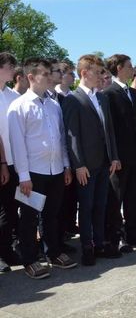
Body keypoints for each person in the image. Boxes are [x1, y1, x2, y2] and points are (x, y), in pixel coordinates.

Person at [8, 58, 77, 279]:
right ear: (30, 77)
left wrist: (66, 165)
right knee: (29, 218)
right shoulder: (18, 106)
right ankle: (29, 259)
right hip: (33, 172)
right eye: (45, 74)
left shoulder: (53, 104)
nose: (50, 77)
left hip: (55, 169)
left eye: (50, 73)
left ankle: (53, 252)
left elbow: (59, 138)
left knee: (52, 215)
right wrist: (24, 176)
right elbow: (18, 144)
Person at [62, 54, 121, 265]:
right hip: (86, 166)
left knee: (100, 205)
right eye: (97, 72)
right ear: (84, 73)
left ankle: (99, 243)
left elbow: (109, 131)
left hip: (104, 163)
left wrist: (114, 156)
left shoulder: (102, 98)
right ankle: (87, 247)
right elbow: (72, 136)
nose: (101, 76)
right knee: (85, 208)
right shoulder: (73, 99)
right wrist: (78, 165)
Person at [103, 54, 136, 252]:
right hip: (120, 157)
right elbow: (110, 129)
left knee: (135, 195)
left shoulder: (134, 93)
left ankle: (134, 233)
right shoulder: (109, 93)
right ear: (119, 68)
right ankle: (116, 236)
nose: (132, 69)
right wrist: (113, 156)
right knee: (116, 198)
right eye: (129, 66)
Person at [0, 52, 21, 272]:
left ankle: (8, 251)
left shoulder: (12, 96)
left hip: (15, 162)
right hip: (2, 162)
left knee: (11, 210)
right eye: (9, 66)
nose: (13, 70)